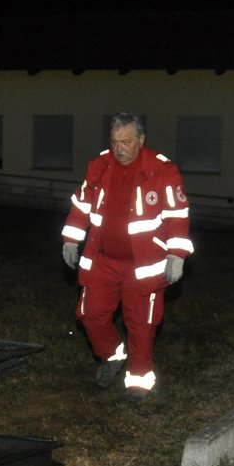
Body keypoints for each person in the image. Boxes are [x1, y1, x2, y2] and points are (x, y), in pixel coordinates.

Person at [60, 112, 193, 400]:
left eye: (127, 142)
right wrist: (71, 239)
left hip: (143, 265)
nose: (119, 148)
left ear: (141, 140)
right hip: (102, 259)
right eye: (115, 141)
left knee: (141, 324)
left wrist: (177, 254)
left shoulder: (163, 170)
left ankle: (139, 381)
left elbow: (177, 215)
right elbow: (81, 206)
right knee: (91, 315)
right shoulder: (99, 165)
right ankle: (111, 355)